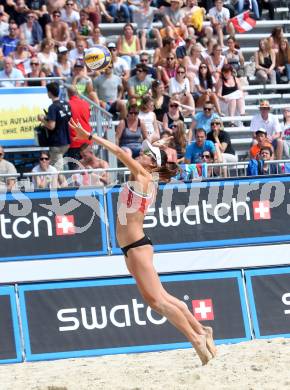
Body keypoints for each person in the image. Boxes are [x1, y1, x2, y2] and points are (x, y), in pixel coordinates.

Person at [69, 117, 216, 366]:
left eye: (147, 154)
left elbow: (116, 150)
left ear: (152, 164)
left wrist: (89, 136)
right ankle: (202, 330)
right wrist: (162, 141)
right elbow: (154, 152)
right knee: (161, 297)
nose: (142, 154)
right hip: (132, 247)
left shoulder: (143, 175)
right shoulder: (149, 175)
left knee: (157, 300)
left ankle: (196, 339)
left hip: (136, 246)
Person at [37, 82, 71, 171]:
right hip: (66, 140)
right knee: (57, 166)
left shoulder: (53, 107)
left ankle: (61, 185)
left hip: (57, 143)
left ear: (50, 93)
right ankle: (62, 183)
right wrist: (47, 117)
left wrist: (42, 120)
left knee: (56, 170)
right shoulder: (66, 104)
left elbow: (51, 126)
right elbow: (65, 119)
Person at [67, 85, 92, 168]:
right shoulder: (86, 103)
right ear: (77, 93)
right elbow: (88, 117)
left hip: (74, 140)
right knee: (88, 169)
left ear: (68, 94)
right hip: (86, 139)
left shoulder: (68, 104)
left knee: (75, 171)